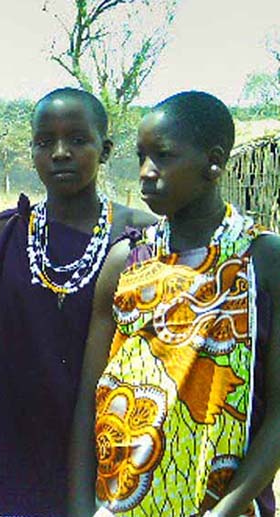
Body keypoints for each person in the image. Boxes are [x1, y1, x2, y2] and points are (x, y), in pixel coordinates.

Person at [68, 91, 280, 516]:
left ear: (213, 162)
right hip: (119, 503)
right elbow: (90, 398)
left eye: (162, 157)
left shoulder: (260, 259)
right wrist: (79, 508)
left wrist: (225, 511)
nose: (147, 173)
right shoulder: (125, 262)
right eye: (141, 156)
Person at [0, 87, 155, 515]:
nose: (59, 153)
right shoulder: (6, 234)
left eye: (77, 140)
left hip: (105, 450)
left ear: (104, 149)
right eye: (44, 142)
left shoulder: (140, 240)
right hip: (11, 450)